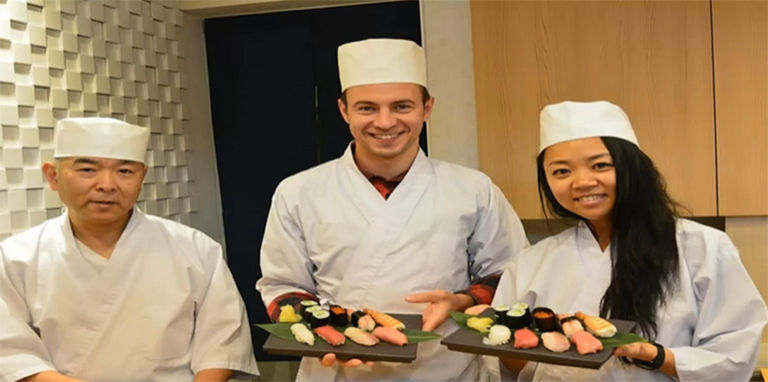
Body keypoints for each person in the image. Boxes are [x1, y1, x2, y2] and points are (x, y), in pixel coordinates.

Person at [256, 38, 528, 381]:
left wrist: (462, 301)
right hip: (338, 368)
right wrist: (323, 330)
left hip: (447, 369)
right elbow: (283, 286)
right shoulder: (298, 192)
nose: (385, 122)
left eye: (402, 106)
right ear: (344, 110)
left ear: (427, 107)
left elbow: (509, 276)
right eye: (367, 108)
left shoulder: (473, 189)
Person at [490, 101, 768, 381]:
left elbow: (733, 355)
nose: (582, 181)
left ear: (632, 168)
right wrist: (494, 332)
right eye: (562, 171)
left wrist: (654, 355)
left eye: (600, 165)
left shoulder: (703, 248)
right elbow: (508, 368)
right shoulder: (531, 262)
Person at [0, 118, 259, 382]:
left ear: (142, 176)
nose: (107, 185)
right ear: (52, 176)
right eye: (88, 170)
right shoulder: (15, 258)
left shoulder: (196, 249)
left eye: (124, 171)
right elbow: (12, 355)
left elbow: (222, 342)